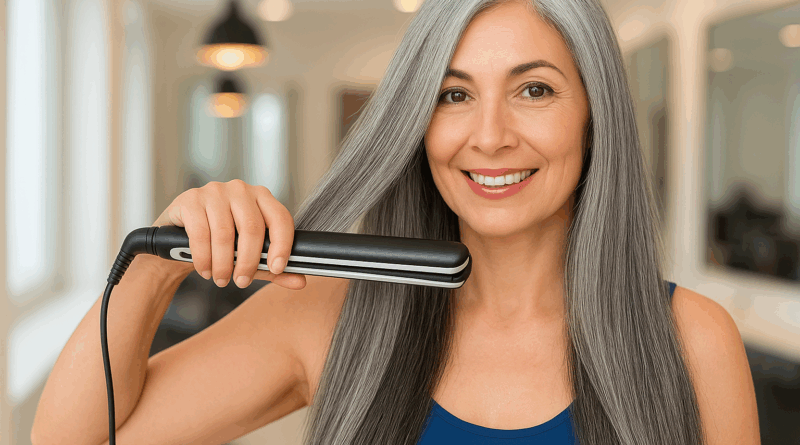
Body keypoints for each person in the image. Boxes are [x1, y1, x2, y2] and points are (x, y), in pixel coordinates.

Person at [31, 0, 760, 444]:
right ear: (418, 124)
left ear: (593, 118)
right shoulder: (331, 316)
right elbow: (68, 438)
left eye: (534, 89)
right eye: (453, 96)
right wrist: (160, 263)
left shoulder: (693, 340)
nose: (491, 135)